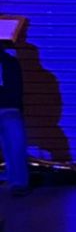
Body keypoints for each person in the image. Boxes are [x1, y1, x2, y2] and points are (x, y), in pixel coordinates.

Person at [0, 41, 29, 194]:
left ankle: (17, 182)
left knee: (14, 147)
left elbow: (17, 87)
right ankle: (17, 182)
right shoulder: (11, 62)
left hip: (10, 108)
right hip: (11, 108)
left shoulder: (10, 63)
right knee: (14, 146)